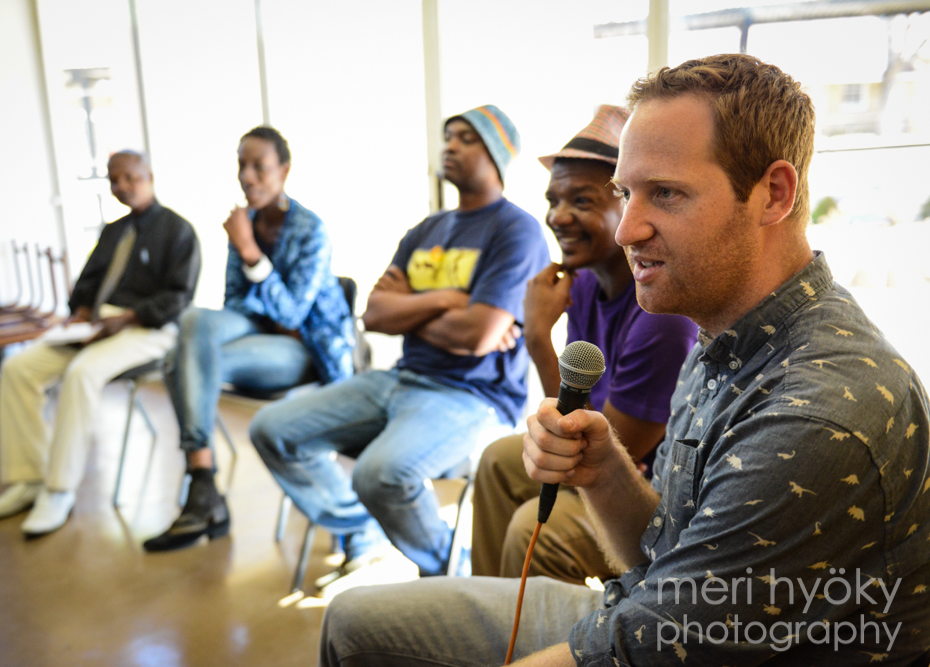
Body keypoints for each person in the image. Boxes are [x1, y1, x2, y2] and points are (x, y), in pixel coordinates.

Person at [319, 55, 930, 666]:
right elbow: (666, 552)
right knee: (351, 621)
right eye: (624, 193)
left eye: (665, 193)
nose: (625, 230)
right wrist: (604, 469)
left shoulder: (817, 414)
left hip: (666, 639)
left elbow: (651, 646)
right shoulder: (722, 332)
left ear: (773, 194)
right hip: (647, 612)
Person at [250, 105, 550, 578]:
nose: (449, 146)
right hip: (401, 379)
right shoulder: (427, 230)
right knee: (271, 428)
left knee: (380, 474)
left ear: (497, 154)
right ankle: (367, 529)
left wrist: (410, 308)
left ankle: (451, 572)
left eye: (466, 138)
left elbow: (477, 335)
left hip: (473, 396)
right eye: (448, 136)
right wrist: (449, 299)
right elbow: (374, 313)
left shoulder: (517, 230)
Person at [471, 106, 698, 586]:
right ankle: (488, 610)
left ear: (629, 207)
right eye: (553, 200)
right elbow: (579, 404)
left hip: (644, 489)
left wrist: (537, 337)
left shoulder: (662, 317)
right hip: (607, 450)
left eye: (581, 201)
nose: (558, 217)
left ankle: (535, 629)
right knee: (497, 461)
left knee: (531, 531)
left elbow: (591, 448)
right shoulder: (587, 284)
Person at [143, 126, 354, 552]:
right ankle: (203, 477)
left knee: (178, 362)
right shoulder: (248, 222)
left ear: (284, 171)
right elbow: (235, 301)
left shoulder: (310, 229)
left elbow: (293, 314)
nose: (247, 176)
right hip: (259, 333)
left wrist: (250, 251)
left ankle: (202, 491)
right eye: (242, 165)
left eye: (260, 166)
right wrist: (249, 258)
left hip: (305, 350)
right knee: (193, 323)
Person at [0, 151, 201, 536]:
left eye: (130, 177)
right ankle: (29, 480)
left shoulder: (179, 231)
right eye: (114, 180)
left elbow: (179, 297)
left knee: (80, 373)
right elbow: (88, 282)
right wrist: (80, 312)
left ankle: (58, 490)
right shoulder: (113, 231)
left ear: (149, 176)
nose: (122, 186)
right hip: (97, 327)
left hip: (148, 329)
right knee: (18, 369)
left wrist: (128, 317)